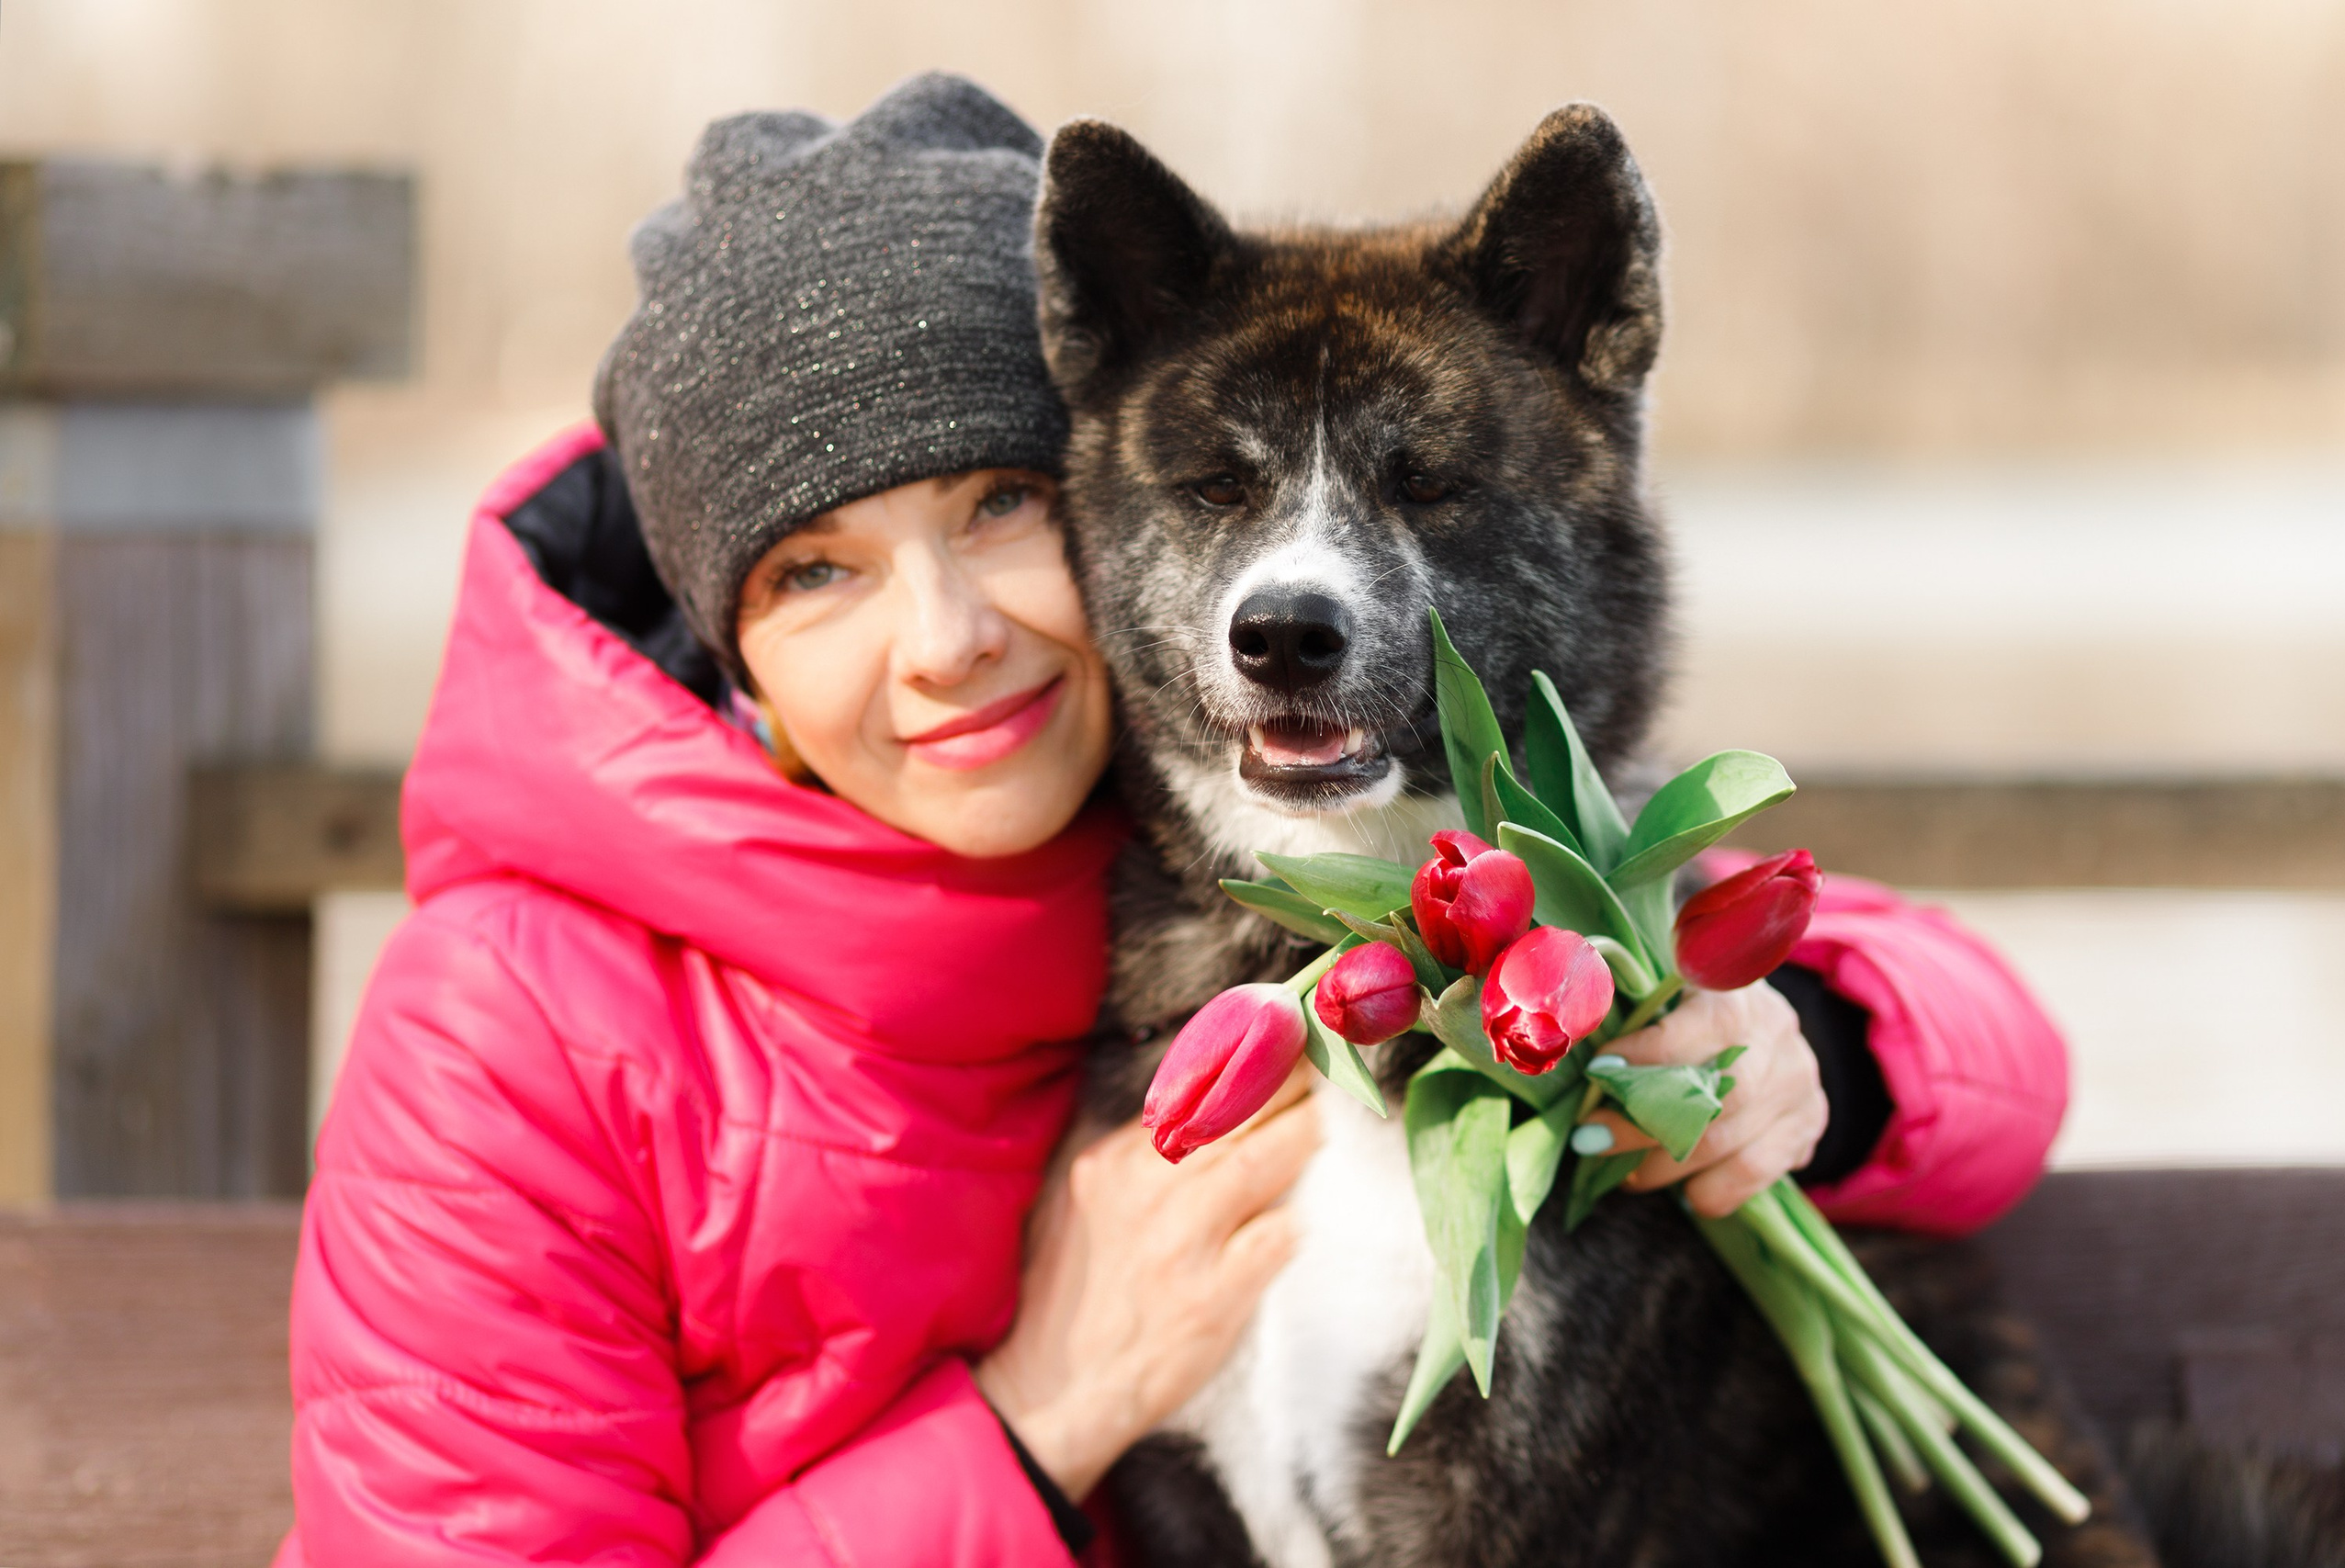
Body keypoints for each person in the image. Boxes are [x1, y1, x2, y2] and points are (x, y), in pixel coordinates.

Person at [276, 73, 2066, 1566]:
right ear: (721, 633)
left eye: (995, 505)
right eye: (812, 569)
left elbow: (1962, 1033)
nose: (944, 641)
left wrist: (1800, 1037)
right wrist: (1046, 1406)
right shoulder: (511, 1033)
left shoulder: (1194, 854)